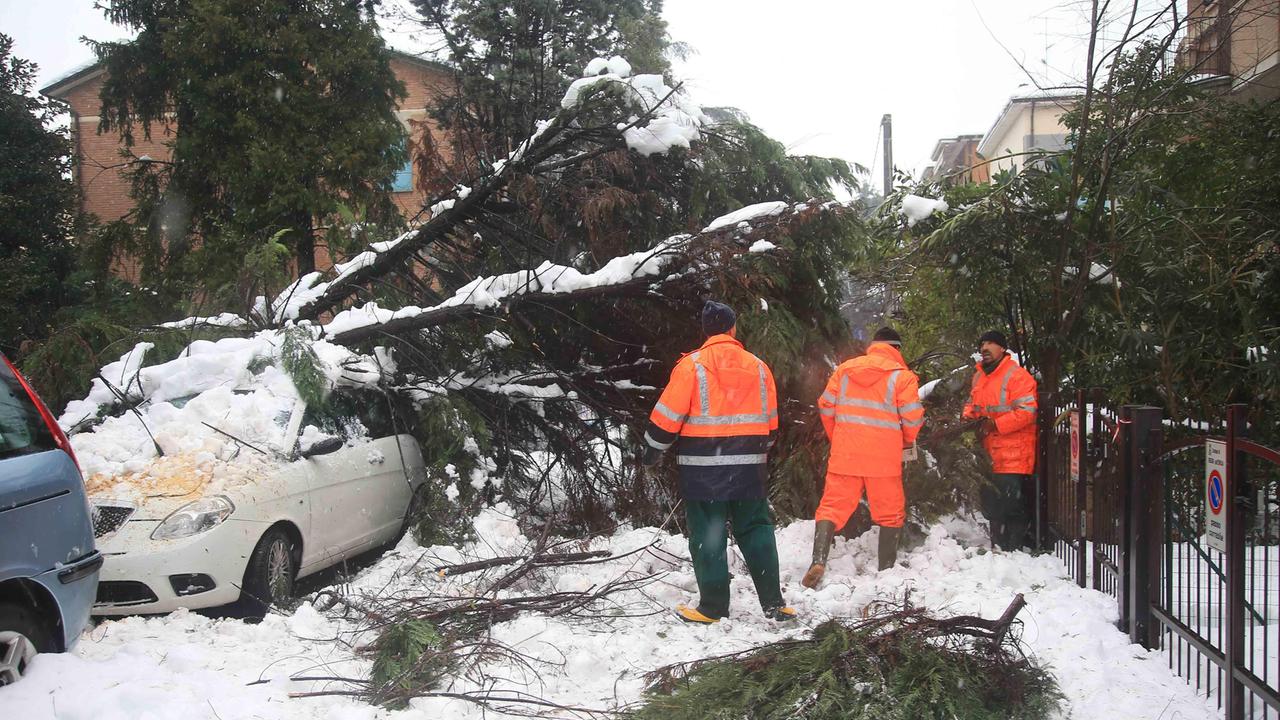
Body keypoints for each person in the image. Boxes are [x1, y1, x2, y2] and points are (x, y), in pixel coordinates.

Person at [643, 300, 796, 624]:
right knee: (756, 529)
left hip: (705, 467)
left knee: (709, 533)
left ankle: (712, 608)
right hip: (749, 465)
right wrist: (758, 450)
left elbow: (668, 417)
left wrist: (653, 451)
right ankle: (773, 604)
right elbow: (771, 421)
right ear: (732, 328)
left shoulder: (691, 366)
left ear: (705, 331)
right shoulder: (758, 366)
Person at [802, 327, 924, 589]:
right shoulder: (902, 378)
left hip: (846, 454)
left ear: (874, 345)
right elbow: (913, 419)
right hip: (883, 460)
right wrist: (904, 440)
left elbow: (825, 406)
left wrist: (840, 438)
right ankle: (886, 571)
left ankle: (818, 559)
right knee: (890, 513)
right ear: (897, 349)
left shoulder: (845, 370)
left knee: (832, 507)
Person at [963, 330, 1039, 551]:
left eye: (990, 344)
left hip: (1012, 452)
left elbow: (1027, 412)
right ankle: (999, 545)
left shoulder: (1018, 376)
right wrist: (969, 420)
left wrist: (995, 424)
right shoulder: (979, 376)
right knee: (991, 503)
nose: (984, 348)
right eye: (982, 344)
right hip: (988, 451)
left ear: (1003, 348)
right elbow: (971, 404)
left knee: (1011, 502)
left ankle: (1014, 547)